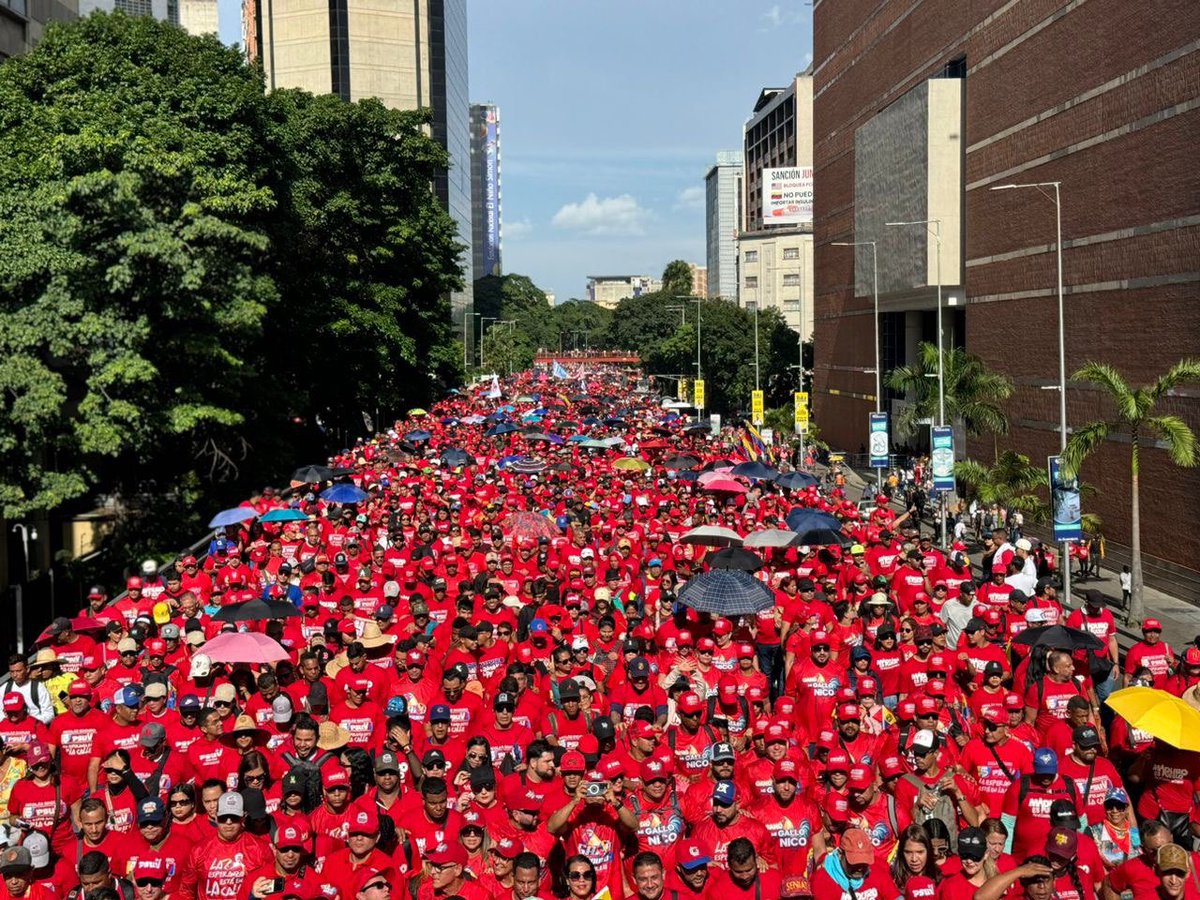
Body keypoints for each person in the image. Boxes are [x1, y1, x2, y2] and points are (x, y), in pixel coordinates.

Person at [177, 793, 271, 900]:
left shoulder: (260, 848)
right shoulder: (198, 850)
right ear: (216, 817)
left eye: (234, 817)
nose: (228, 822)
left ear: (243, 818)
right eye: (223, 817)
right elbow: (186, 892)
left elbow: (270, 889)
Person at [810, 826, 902, 899]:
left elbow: (895, 897)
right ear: (840, 855)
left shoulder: (877, 869)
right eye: (854, 861)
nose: (860, 868)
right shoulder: (823, 880)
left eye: (864, 861)